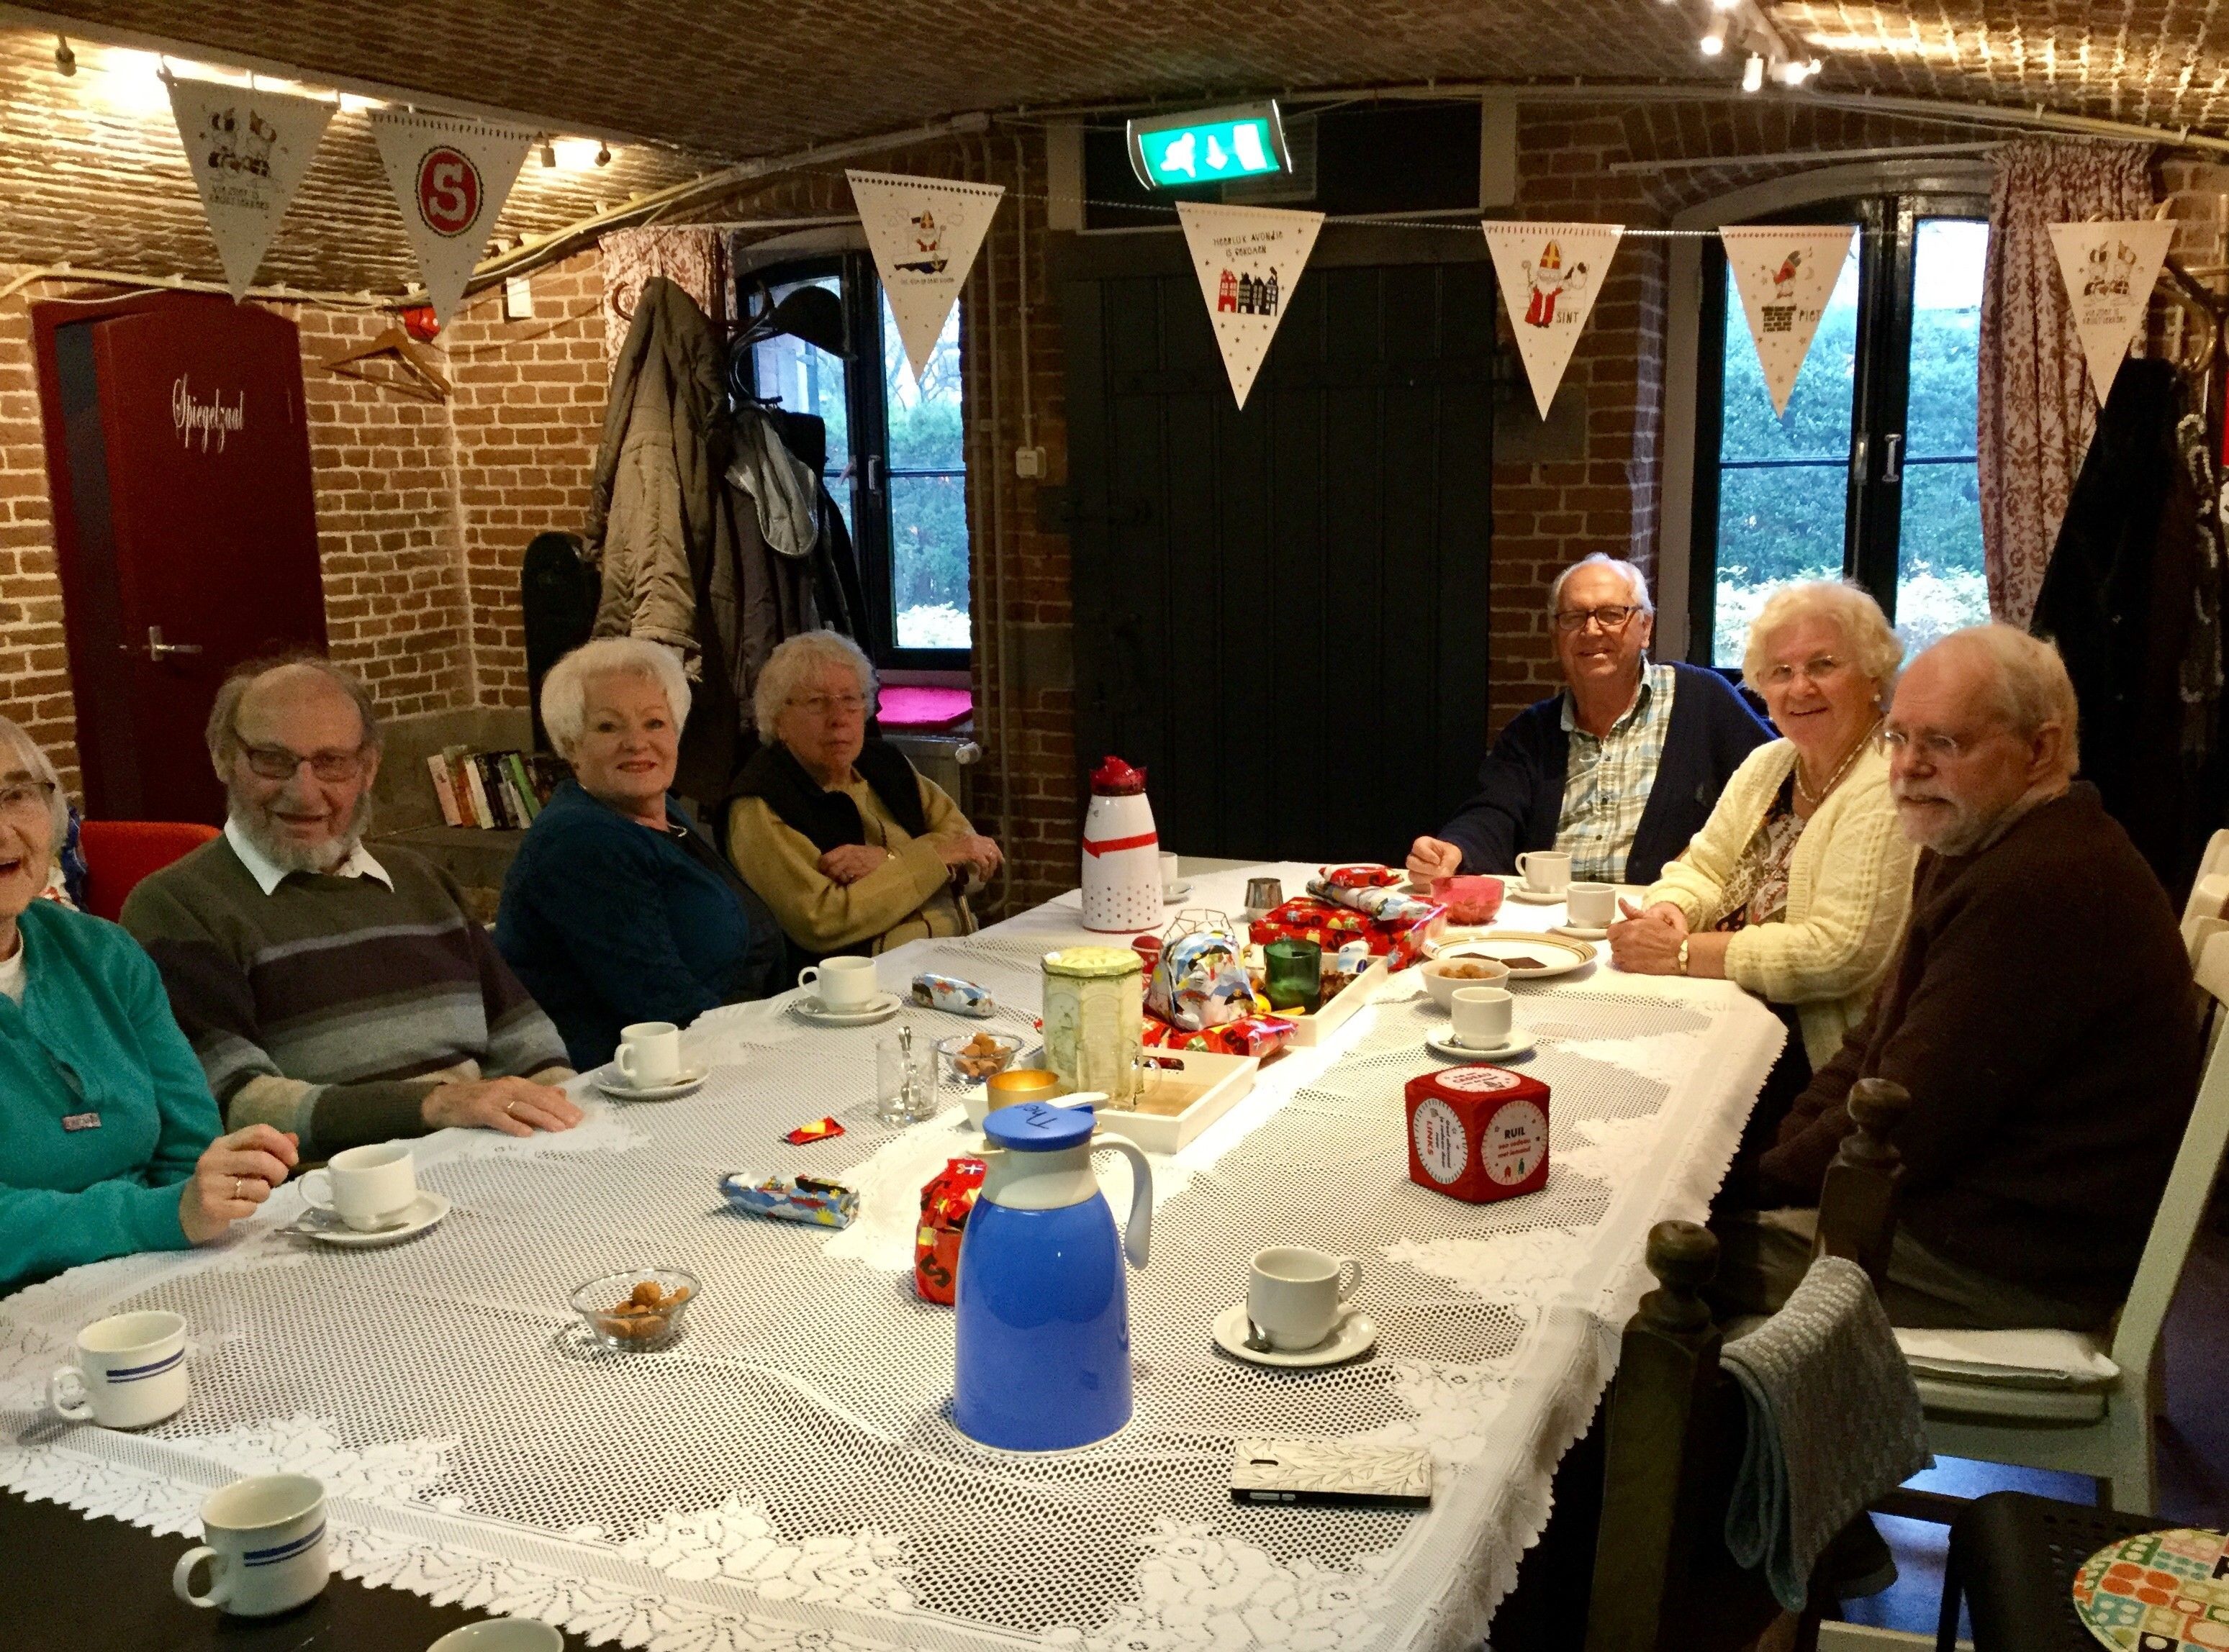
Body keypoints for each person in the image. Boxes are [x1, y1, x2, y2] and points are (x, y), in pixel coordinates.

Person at [1713, 626, 2201, 1330]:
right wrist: (1768, 1164)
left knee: (1649, 1262)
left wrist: (1745, 1188)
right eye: (1898, 738)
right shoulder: (1978, 840)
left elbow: (1906, 1120)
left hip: (2008, 1263)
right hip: (1959, 1216)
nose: (1907, 768)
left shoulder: (2042, 885)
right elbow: (1872, 1047)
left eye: (1943, 742)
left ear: (2039, 750)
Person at [122, 658, 583, 1158]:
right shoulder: (175, 906)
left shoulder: (421, 880)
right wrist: (433, 1106)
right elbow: (234, 1102)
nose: (304, 792)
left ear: (368, 769)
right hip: (335, 1186)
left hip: (487, 1154)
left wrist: (570, 1124)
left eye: (331, 762)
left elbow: (527, 1042)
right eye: (272, 760)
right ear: (223, 757)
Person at [0, 717, 299, 1294]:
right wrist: (160, 1216)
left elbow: (189, 1144)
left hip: (153, 1275)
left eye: (16, 795)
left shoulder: (103, 954)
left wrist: (190, 1232)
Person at [1609, 583, 1918, 1083]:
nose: (1800, 688)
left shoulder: (1889, 779)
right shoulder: (1770, 763)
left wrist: (1683, 952)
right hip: (1721, 1009)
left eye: (1823, 665)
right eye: (1781, 672)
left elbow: (1837, 953)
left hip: (1815, 1058)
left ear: (1873, 677)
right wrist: (1672, 911)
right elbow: (1702, 868)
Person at [497, 638, 785, 1069]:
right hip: (632, 1076)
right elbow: (663, 1005)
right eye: (608, 727)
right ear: (571, 745)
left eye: (654, 723)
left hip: (717, 1046)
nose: (637, 743)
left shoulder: (660, 811)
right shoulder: (581, 841)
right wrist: (777, 1051)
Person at [1407, 554, 1771, 888]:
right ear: (1555, 637)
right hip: (1548, 917)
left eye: (1612, 614)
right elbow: (1493, 814)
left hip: (1662, 916)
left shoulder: (1702, 700)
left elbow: (1778, 782)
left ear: (1645, 628)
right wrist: (1454, 850)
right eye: (1573, 617)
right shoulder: (1531, 733)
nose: (1592, 630)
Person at [727, 630, 1001, 961]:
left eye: (850, 699)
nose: (839, 719)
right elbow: (823, 922)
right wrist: (936, 859)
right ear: (778, 720)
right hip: (867, 979)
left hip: (959, 950)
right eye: (817, 702)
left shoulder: (885, 764)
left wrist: (889, 859)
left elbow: (977, 861)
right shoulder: (762, 802)